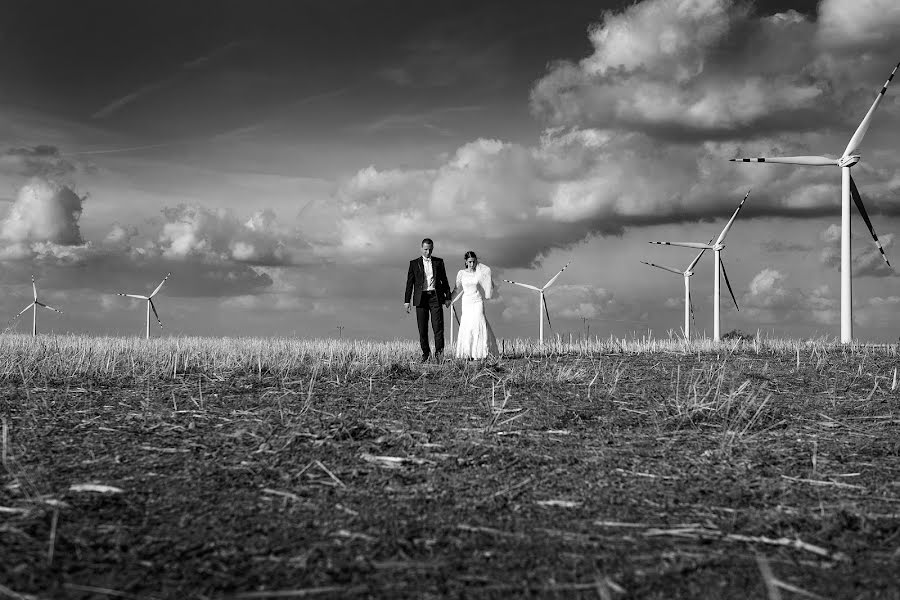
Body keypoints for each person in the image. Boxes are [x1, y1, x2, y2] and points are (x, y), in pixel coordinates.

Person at [404, 238, 452, 362]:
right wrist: (407, 301)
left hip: (435, 297)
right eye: (425, 249)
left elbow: (444, 280)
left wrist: (448, 297)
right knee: (422, 328)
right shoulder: (414, 263)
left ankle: (439, 355)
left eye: (430, 249)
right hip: (421, 298)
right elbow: (410, 283)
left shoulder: (439, 262)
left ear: (432, 249)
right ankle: (426, 354)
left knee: (438, 327)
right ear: (421, 248)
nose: (428, 252)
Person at [450, 251, 498, 360]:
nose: (472, 264)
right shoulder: (461, 273)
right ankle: (467, 353)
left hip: (477, 301)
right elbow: (457, 289)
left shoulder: (479, 273)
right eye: (470, 262)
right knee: (468, 325)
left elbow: (489, 285)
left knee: (479, 322)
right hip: (466, 302)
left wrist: (489, 279)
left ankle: (480, 353)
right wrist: (449, 299)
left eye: (474, 262)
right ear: (466, 262)